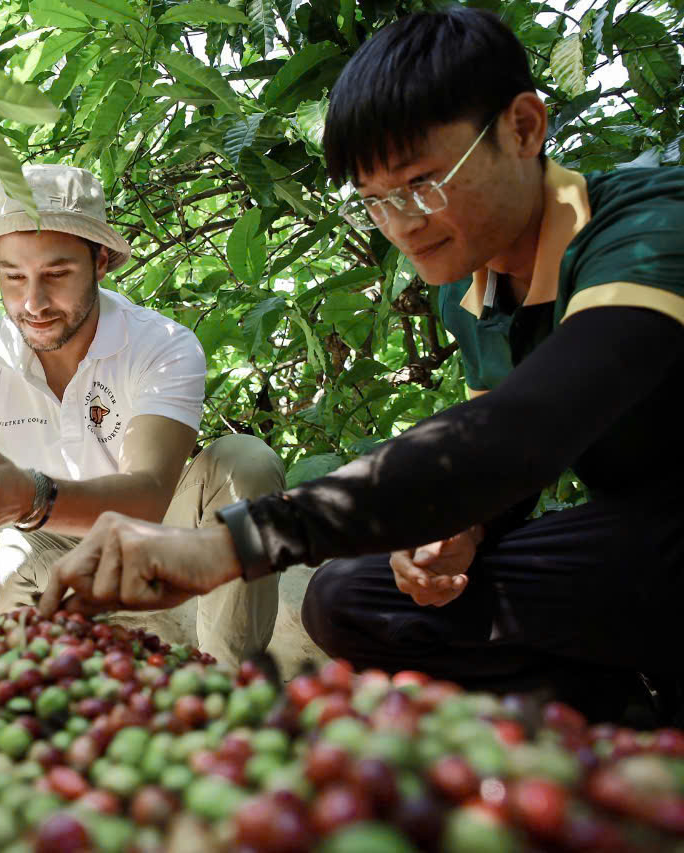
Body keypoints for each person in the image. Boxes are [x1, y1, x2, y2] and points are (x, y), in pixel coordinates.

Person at [40, 7, 684, 719]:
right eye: (378, 203)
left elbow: (522, 430)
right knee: (352, 598)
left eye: (423, 185)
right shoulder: (470, 289)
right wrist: (460, 528)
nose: (404, 225)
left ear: (524, 128)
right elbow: (496, 473)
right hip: (637, 548)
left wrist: (234, 542)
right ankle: (624, 732)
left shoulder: (648, 231)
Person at [0, 164, 285, 670]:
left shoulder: (161, 346)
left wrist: (33, 497)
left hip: (164, 553)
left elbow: (150, 494)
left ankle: (228, 680)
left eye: (57, 274)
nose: (33, 302)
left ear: (100, 262)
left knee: (246, 462)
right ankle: (33, 688)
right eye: (13, 277)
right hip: (50, 560)